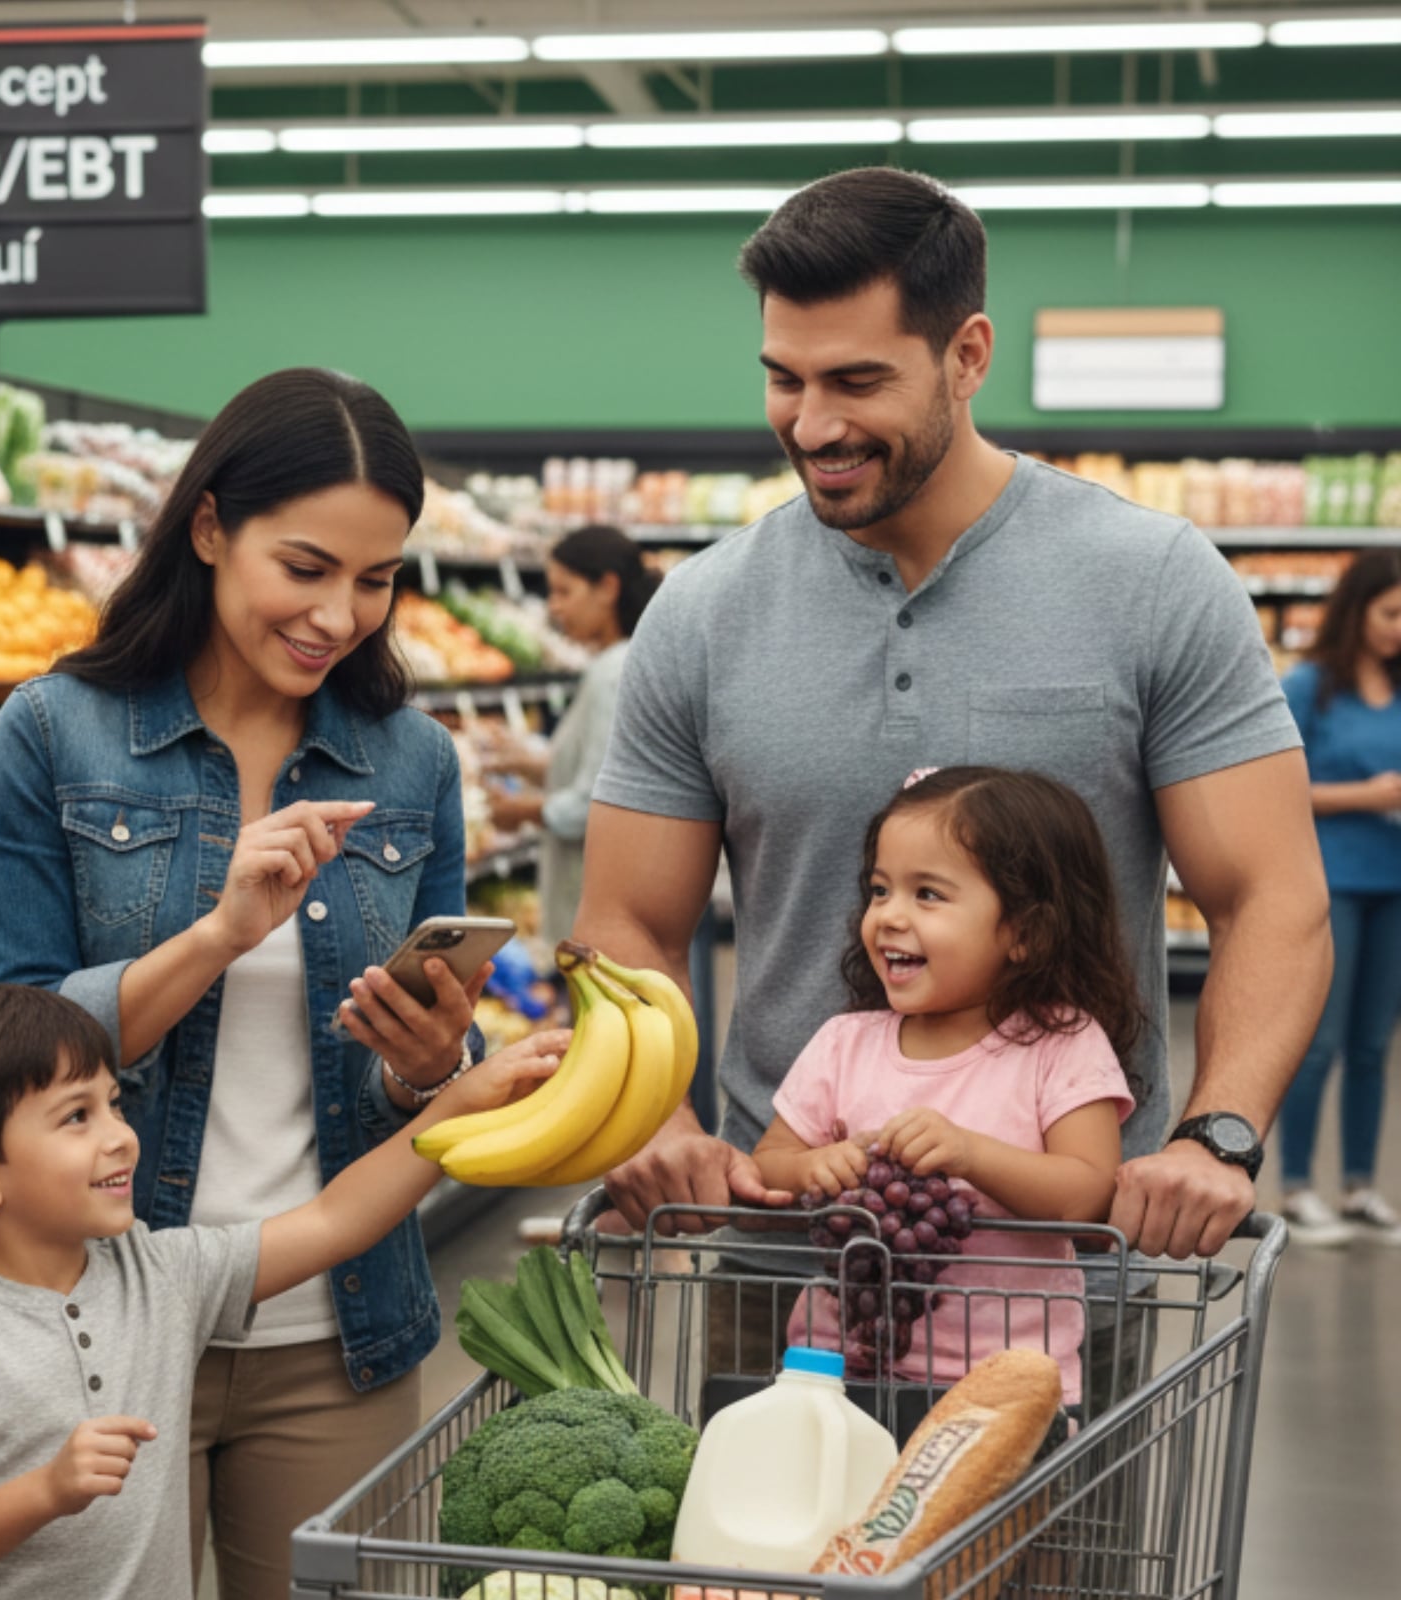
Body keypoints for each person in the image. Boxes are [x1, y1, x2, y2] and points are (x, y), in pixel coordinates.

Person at [575, 168, 1330, 1301]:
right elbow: (628, 916)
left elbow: (1271, 894)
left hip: (1058, 1273)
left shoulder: (1152, 581)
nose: (813, 424)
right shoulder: (704, 610)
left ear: (968, 355)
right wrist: (658, 1118)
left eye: (857, 380)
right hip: (781, 1251)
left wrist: (1215, 1135)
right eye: (784, 379)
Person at [0, 367, 490, 1599]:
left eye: (376, 579)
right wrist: (215, 932)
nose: (340, 614)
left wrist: (434, 1064)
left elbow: (409, 1077)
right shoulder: (55, 734)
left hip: (339, 1330)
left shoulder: (412, 764)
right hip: (96, 1324)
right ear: (209, 527)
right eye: (304, 568)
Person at [0, 983, 564, 1599]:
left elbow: (334, 1220)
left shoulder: (161, 1275)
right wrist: (45, 1492)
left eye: (114, 1104)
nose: (121, 1138)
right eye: (77, 1117)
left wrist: (460, 1102)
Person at [755, 767, 1139, 1406]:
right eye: (880, 891)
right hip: (832, 1378)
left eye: (927, 895)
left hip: (1007, 1393)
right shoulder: (843, 1043)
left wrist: (970, 1155)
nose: (889, 917)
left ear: (1025, 933)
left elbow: (1091, 1199)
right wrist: (814, 1168)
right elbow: (767, 1163)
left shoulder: (1061, 1044)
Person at [1276, 550, 1401, 1244]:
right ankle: (1295, 1187)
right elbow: (1277, 786)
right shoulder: (1309, 688)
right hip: (1330, 884)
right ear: (1357, 610)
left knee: (1373, 1046)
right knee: (1318, 1042)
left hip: (1394, 883)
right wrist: (1367, 794)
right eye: (1390, 613)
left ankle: (1359, 1186)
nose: (1400, 628)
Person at [485, 525, 659, 946]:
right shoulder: (626, 659)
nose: (554, 607)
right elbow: (607, 768)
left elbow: (595, 800)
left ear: (607, 587)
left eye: (564, 591)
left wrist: (521, 812)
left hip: (596, 901)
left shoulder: (612, 674)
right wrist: (529, 765)